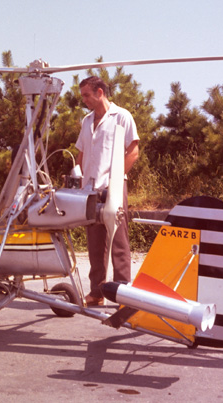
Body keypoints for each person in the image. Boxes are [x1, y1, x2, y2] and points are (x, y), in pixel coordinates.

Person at [75, 76, 139, 306]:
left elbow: (133, 151)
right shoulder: (86, 121)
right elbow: (81, 155)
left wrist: (115, 180)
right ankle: (97, 292)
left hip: (113, 187)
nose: (84, 100)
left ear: (100, 92)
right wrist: (80, 183)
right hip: (90, 189)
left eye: (86, 95)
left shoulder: (122, 116)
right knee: (95, 243)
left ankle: (124, 294)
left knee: (118, 240)